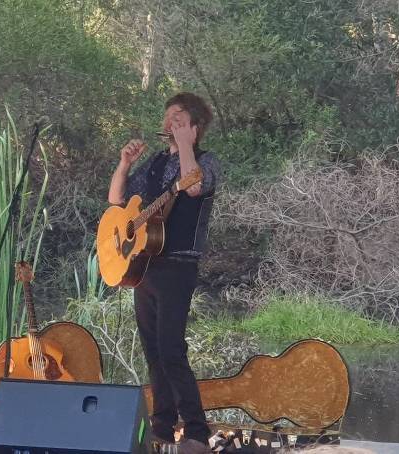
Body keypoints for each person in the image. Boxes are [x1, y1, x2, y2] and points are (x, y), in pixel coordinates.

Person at [107, 92, 221, 454]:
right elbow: (116, 200)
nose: (170, 122)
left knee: (172, 349)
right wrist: (125, 164)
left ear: (195, 126)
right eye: (169, 117)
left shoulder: (206, 161)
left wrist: (187, 144)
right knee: (154, 352)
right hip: (145, 265)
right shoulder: (156, 162)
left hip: (178, 265)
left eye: (179, 118)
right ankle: (162, 427)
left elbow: (195, 184)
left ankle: (197, 433)